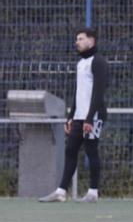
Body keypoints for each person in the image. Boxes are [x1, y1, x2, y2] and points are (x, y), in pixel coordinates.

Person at [39, 27, 110, 204]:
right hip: (79, 116)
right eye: (76, 39)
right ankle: (61, 191)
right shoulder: (80, 64)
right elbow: (78, 93)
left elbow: (98, 92)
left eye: (80, 39)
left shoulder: (98, 61)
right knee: (70, 150)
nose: (76, 42)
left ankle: (93, 193)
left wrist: (89, 118)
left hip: (93, 116)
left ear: (91, 41)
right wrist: (70, 116)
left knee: (91, 151)